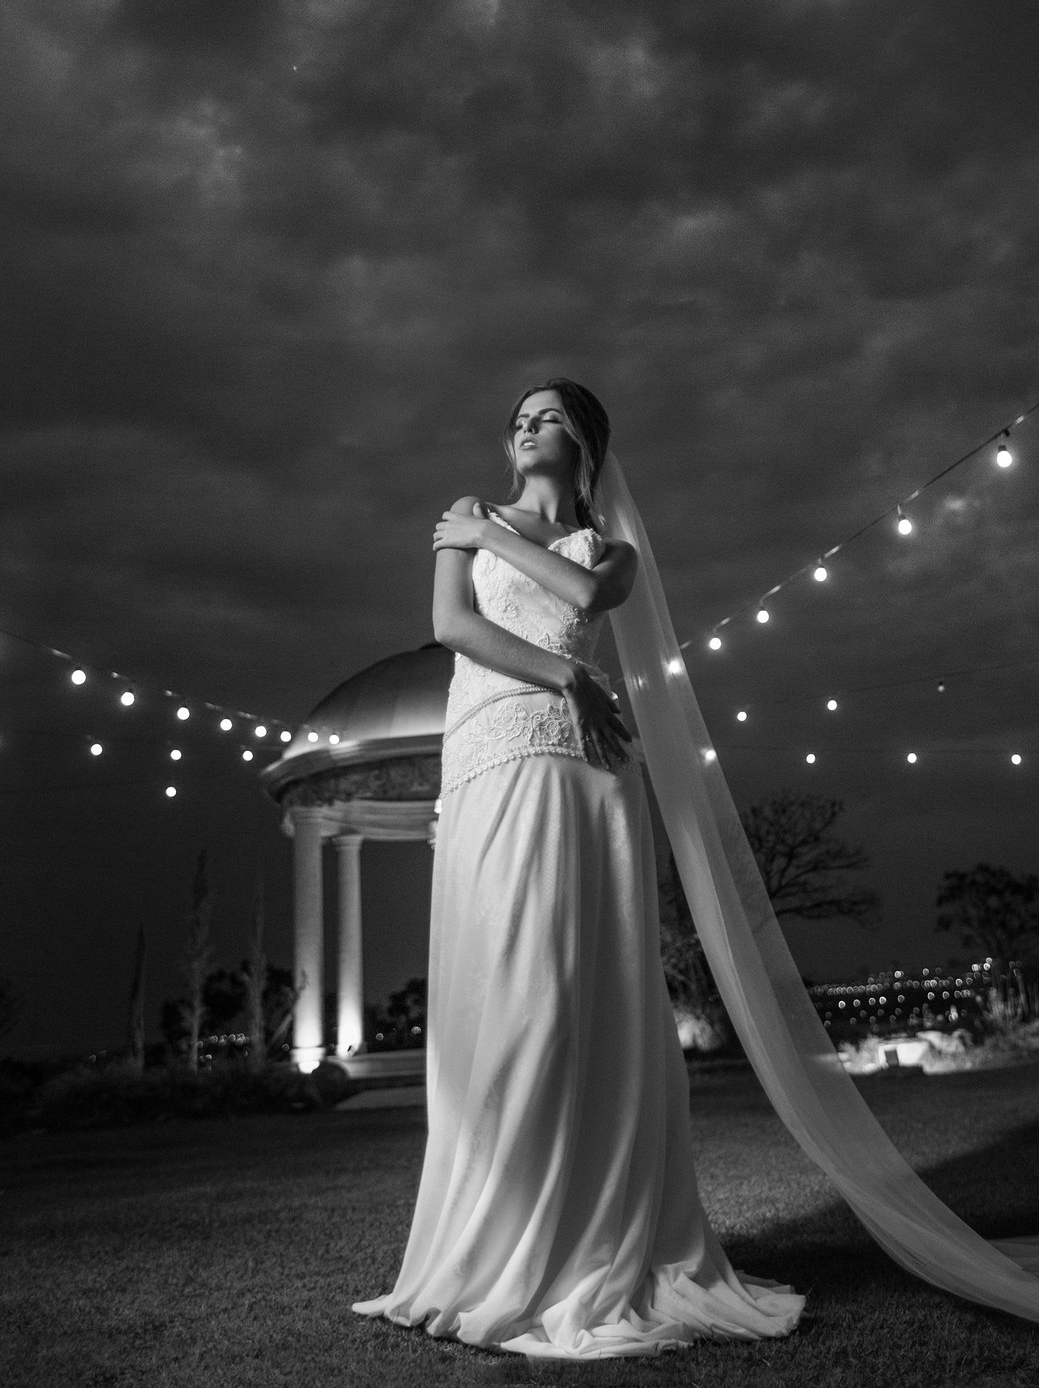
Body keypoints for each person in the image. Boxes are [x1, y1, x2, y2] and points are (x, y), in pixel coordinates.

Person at [352, 378, 806, 1359]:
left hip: (585, 774)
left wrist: (490, 536)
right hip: (488, 758)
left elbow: (588, 593)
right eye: (514, 415)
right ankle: (493, 1242)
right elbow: (453, 630)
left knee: (580, 995)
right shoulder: (458, 527)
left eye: (545, 416)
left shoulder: (607, 548)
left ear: (586, 447)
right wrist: (564, 671)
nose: (521, 427)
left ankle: (587, 1240)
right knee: (500, 993)